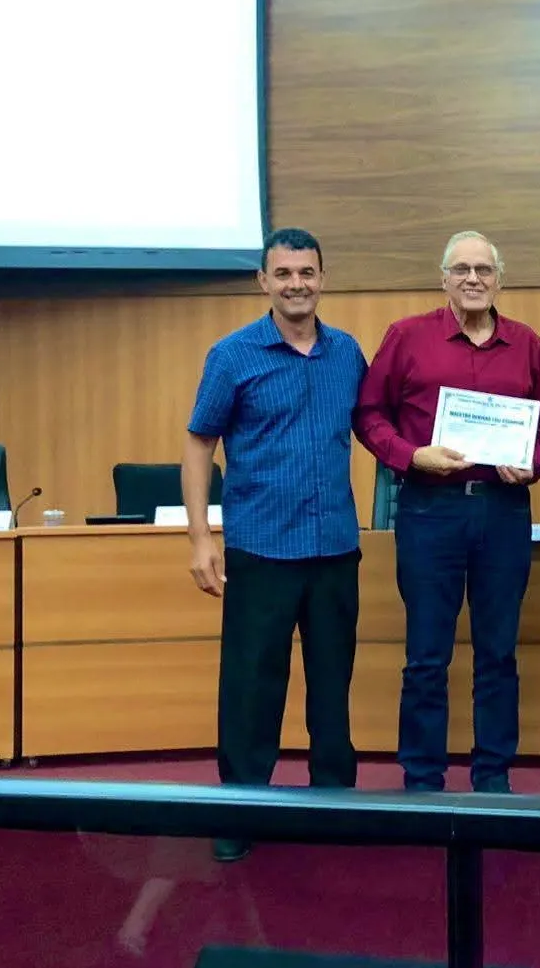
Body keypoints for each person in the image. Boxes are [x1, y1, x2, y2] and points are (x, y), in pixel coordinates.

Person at [353, 230, 540, 794]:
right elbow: (369, 414)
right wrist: (410, 455)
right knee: (426, 655)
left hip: (502, 512)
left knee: (498, 653)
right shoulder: (406, 337)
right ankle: (423, 781)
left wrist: (535, 463)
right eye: (462, 270)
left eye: (484, 270)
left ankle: (492, 778)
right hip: (429, 510)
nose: (473, 279)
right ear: (443, 277)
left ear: (500, 278)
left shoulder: (526, 343)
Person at [183, 226, 368, 863]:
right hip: (261, 549)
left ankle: (335, 804)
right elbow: (199, 443)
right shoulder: (233, 355)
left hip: (336, 549)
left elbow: (378, 427)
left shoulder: (348, 353)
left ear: (323, 278)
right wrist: (201, 536)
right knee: (251, 685)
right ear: (264, 282)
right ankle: (238, 808)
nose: (296, 284)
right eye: (283, 274)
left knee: (331, 684)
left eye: (307, 273)